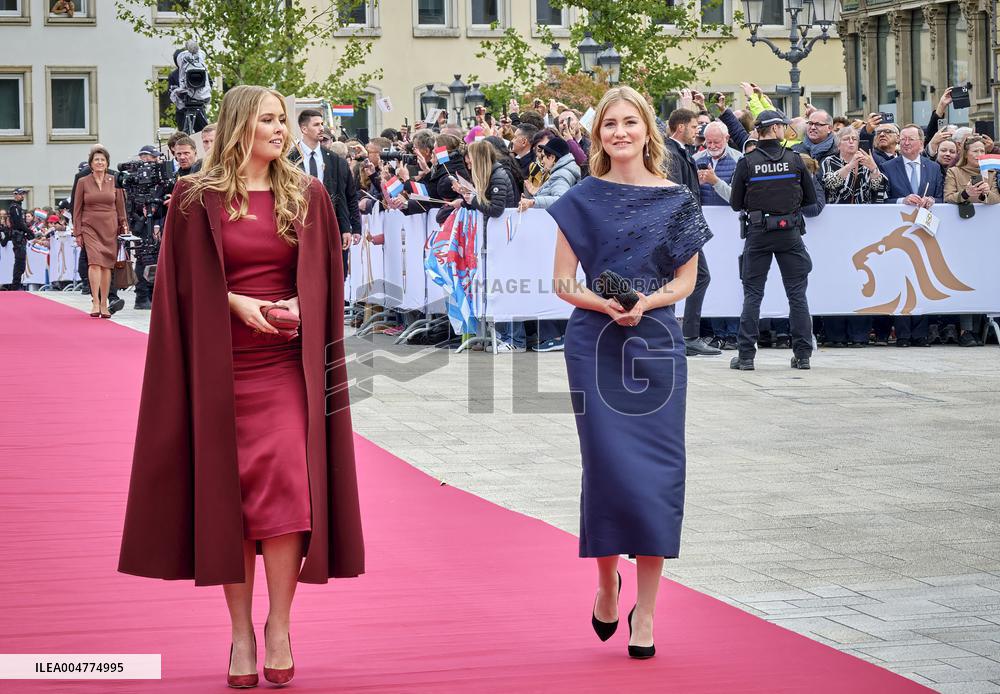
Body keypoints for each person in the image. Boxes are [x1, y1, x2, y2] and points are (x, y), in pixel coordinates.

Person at [117, 85, 364, 688]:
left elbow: (329, 277)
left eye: (285, 119)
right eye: (270, 120)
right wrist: (235, 303)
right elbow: (178, 282)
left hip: (285, 365)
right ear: (237, 127)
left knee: (285, 491)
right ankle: (239, 635)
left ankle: (278, 624)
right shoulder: (192, 196)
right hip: (218, 365)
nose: (282, 130)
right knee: (231, 499)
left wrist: (298, 306)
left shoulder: (308, 194)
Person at [548, 85, 711, 661]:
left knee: (657, 476)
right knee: (608, 469)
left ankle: (647, 609)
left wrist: (645, 303)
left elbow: (688, 282)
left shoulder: (677, 199)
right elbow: (565, 282)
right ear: (599, 136)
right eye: (609, 125)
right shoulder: (580, 198)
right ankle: (604, 585)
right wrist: (609, 305)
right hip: (595, 344)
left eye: (629, 122)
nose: (620, 132)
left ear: (649, 131)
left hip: (656, 343)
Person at [729, 110, 817, 371]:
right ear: (776, 129)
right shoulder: (795, 160)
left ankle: (745, 357)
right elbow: (810, 199)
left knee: (753, 294)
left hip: (758, 232)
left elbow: (735, 204)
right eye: (783, 126)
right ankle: (803, 356)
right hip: (789, 231)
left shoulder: (747, 162)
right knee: (797, 295)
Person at [449, 139, 520, 352]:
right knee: (496, 289)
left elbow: (496, 209)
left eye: (470, 161)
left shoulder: (498, 175)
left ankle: (514, 340)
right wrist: (469, 196)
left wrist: (472, 199)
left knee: (506, 291)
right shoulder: (493, 175)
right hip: (493, 241)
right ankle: (500, 334)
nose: (468, 165)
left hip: (502, 242)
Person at [879, 123, 944, 348]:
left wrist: (933, 201)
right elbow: (880, 199)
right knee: (901, 280)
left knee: (923, 279)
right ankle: (904, 333)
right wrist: (901, 201)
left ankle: (921, 333)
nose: (905, 143)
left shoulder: (933, 168)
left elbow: (942, 196)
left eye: (910, 139)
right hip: (899, 234)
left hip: (926, 232)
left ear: (921, 143)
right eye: (903, 139)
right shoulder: (888, 167)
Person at [664, 108, 720, 357]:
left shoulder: (678, 151)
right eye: (694, 125)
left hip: (684, 225)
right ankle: (685, 336)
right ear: (680, 127)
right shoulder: (671, 152)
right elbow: (676, 191)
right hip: (681, 227)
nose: (698, 129)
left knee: (684, 279)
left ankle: (679, 335)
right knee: (696, 277)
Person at [289, 108, 359, 273]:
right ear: (304, 129)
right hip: (299, 224)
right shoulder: (288, 159)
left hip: (329, 223)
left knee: (332, 272)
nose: (321, 128)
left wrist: (347, 228)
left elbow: (345, 195)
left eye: (322, 124)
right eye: (316, 125)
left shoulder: (334, 160)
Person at [693, 121, 742, 350]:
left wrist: (715, 182)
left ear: (727, 138)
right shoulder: (696, 160)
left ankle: (732, 332)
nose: (711, 145)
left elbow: (738, 199)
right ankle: (716, 332)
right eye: (708, 141)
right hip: (707, 230)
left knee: (730, 278)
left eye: (716, 141)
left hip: (731, 231)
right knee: (710, 279)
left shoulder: (738, 160)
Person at [71, 147, 128, 318]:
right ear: (91, 164)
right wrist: (78, 231)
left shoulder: (114, 180)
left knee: (106, 266)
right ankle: (95, 301)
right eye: (96, 160)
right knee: (94, 263)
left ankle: (104, 304)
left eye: (102, 160)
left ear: (107, 163)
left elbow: (120, 207)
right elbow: (77, 208)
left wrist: (124, 226)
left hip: (110, 226)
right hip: (89, 226)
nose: (100, 162)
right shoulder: (83, 181)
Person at [5, 188, 30, 291]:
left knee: (21, 262)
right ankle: (15, 286)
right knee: (19, 262)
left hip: (20, 236)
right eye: (20, 194)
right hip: (18, 238)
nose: (22, 196)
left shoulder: (19, 207)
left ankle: (16, 285)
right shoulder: (15, 207)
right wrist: (30, 232)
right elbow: (19, 223)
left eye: (23, 194)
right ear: (15, 195)